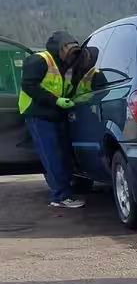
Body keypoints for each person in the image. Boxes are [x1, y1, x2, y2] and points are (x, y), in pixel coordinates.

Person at [18, 30, 100, 208]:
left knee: (63, 154)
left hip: (57, 113)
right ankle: (60, 197)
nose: (71, 53)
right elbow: (29, 86)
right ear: (60, 48)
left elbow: (70, 87)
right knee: (52, 155)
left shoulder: (68, 66)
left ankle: (68, 189)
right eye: (68, 48)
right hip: (38, 113)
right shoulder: (39, 60)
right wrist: (56, 100)